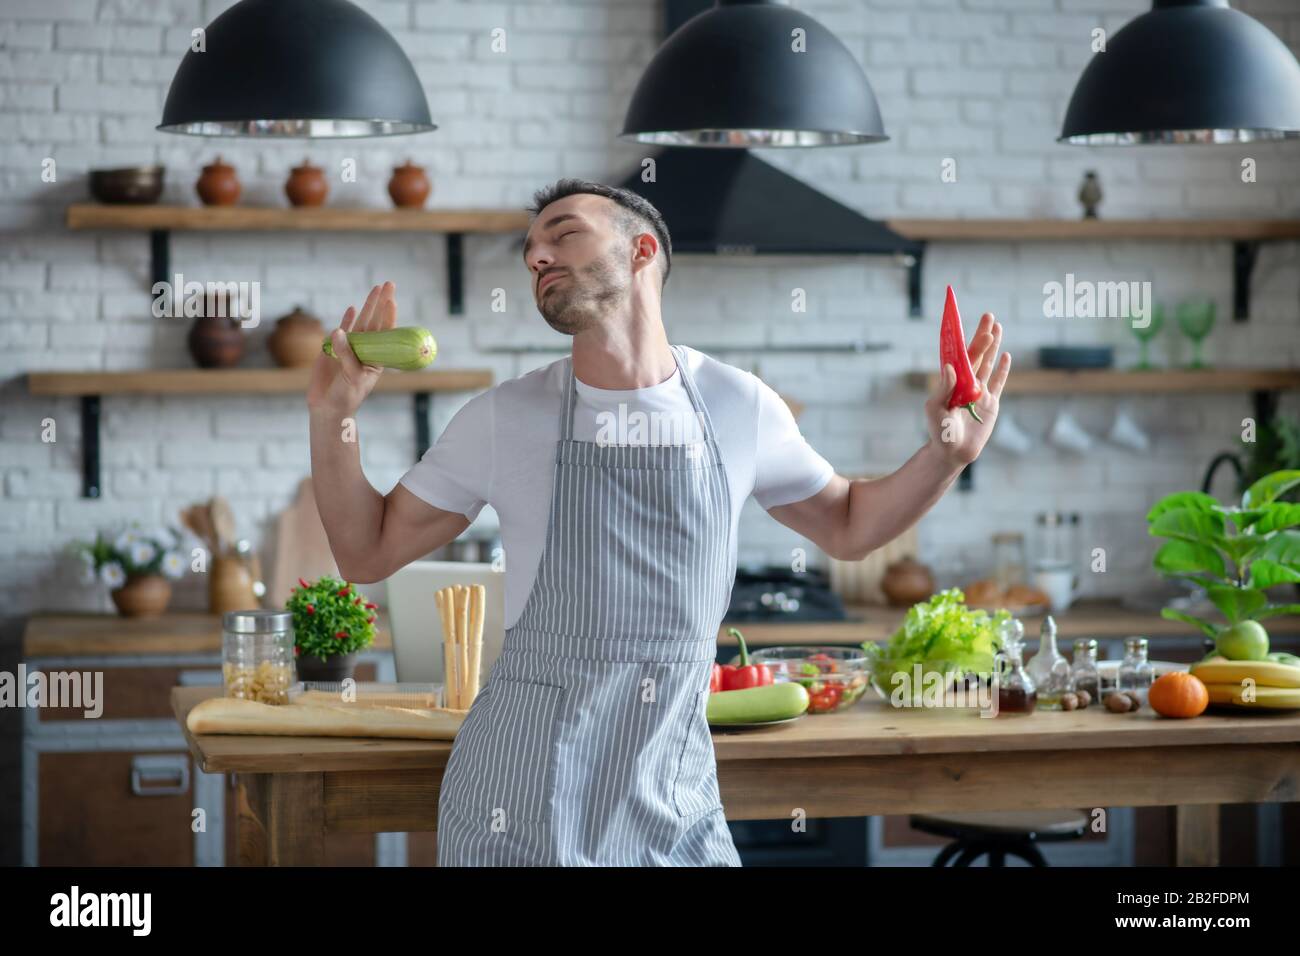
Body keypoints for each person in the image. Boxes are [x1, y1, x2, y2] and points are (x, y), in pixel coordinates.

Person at [306, 179, 1011, 866]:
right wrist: (332, 416)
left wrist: (946, 457)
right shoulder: (504, 417)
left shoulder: (738, 405)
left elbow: (851, 525)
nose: (537, 257)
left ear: (642, 251)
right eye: (528, 250)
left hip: (673, 796)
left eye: (564, 233)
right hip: (519, 797)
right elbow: (367, 552)